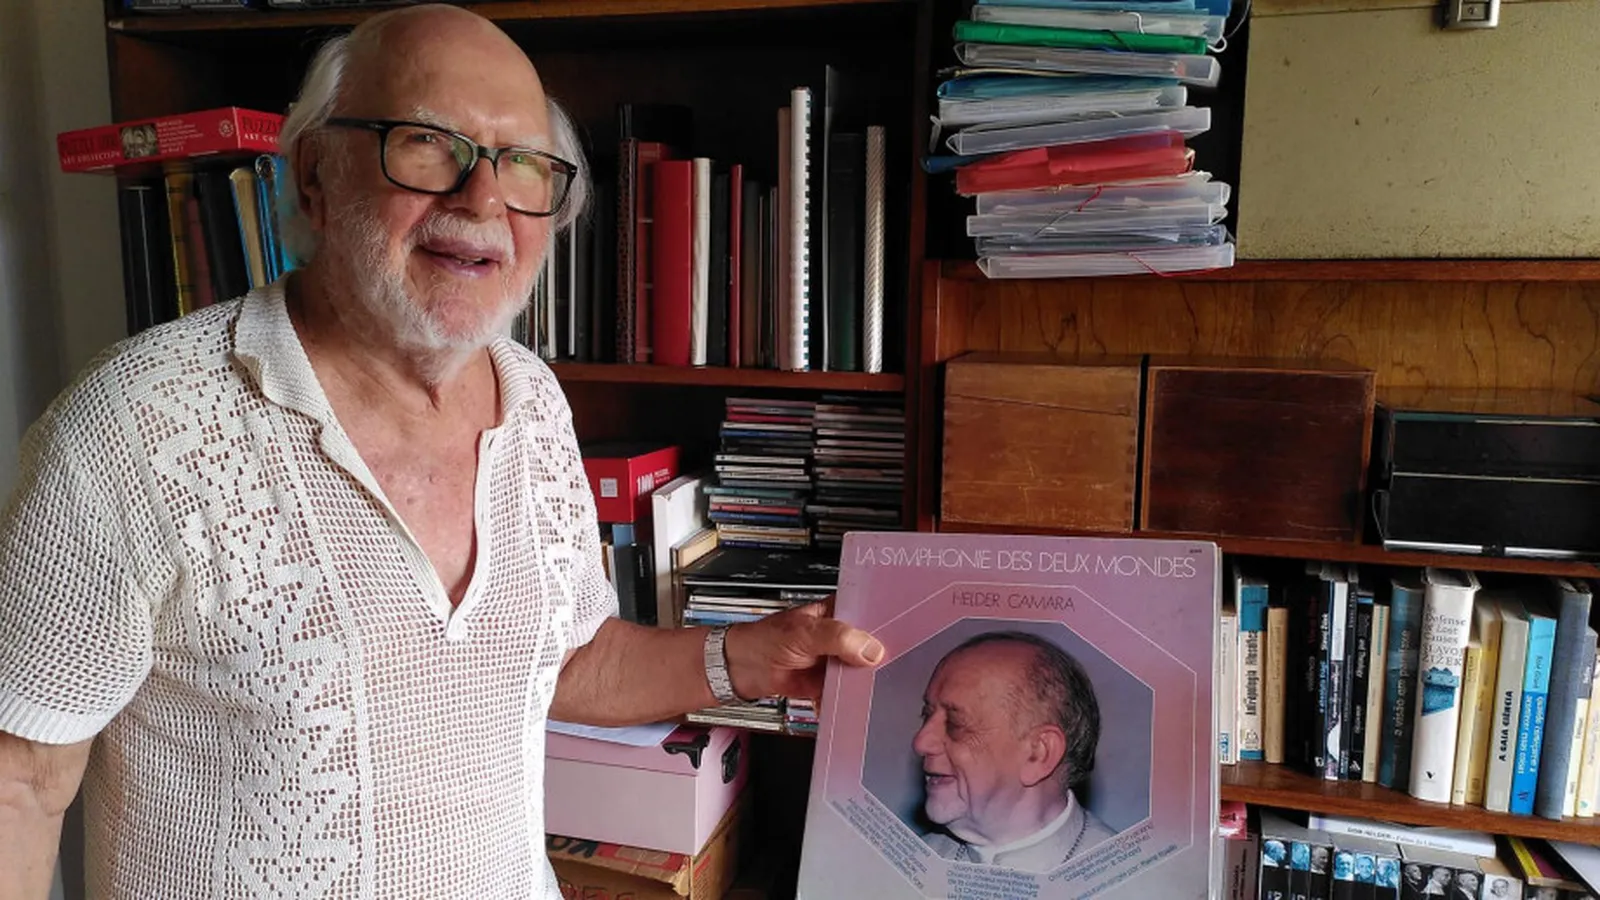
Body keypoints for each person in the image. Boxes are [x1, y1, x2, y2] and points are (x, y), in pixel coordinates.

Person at [0, 6, 884, 899]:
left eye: (523, 163)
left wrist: (745, 658)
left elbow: (562, 660)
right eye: (428, 144)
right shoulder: (133, 426)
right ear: (314, 174)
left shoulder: (532, 397)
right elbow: (22, 781)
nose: (483, 201)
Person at [912, 630, 1114, 872]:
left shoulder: (1133, 881)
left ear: (1038, 754)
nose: (921, 742)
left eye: (956, 723)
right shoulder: (905, 866)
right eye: (926, 715)